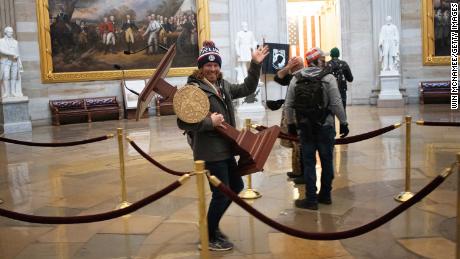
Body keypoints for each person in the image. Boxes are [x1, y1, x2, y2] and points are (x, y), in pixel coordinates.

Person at [177, 40, 269, 251]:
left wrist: (255, 64)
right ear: (201, 67)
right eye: (208, 65)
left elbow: (248, 87)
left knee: (235, 187)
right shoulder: (192, 89)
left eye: (215, 65)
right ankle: (208, 236)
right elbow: (182, 122)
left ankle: (212, 227)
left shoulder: (223, 85)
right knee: (222, 192)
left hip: (226, 148)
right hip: (209, 151)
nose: (212, 69)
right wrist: (210, 122)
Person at [285, 47, 349, 210]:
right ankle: (326, 195)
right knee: (327, 161)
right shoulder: (328, 78)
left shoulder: (296, 78)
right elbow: (336, 103)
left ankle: (311, 199)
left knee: (308, 163)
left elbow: (289, 105)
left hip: (305, 127)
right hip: (325, 126)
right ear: (319, 60)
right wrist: (343, 122)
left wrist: (291, 125)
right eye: (323, 58)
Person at [273, 57, 305, 180]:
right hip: (292, 114)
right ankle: (297, 171)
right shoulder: (292, 76)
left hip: (299, 115)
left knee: (299, 144)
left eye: (291, 64)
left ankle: (303, 174)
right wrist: (288, 67)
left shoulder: (303, 76)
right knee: (295, 144)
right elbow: (278, 77)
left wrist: (289, 67)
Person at [326, 47, 353, 111]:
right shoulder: (344, 64)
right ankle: (343, 121)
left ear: (331, 55)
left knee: (330, 112)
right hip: (342, 90)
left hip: (330, 90)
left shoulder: (327, 65)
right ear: (338, 54)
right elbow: (350, 79)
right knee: (342, 111)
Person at [0, 26, 23, 98]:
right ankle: (6, 92)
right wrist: (12, 53)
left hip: (14, 61)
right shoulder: (1, 41)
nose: (11, 33)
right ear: (5, 32)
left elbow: (18, 53)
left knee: (14, 77)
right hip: (5, 61)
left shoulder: (15, 42)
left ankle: (13, 91)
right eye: (10, 32)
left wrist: (20, 63)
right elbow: (1, 50)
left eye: (12, 32)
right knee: (6, 76)